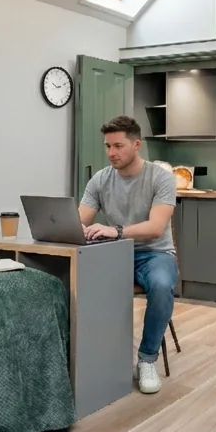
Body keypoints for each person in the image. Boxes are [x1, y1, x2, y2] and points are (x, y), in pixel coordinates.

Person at [78, 115, 177, 395]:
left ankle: (146, 360)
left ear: (136, 144)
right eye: (108, 146)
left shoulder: (161, 178)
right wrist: (74, 229)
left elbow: (156, 228)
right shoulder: (100, 179)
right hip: (112, 254)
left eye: (118, 146)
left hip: (153, 254)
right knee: (73, 280)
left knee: (160, 286)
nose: (112, 153)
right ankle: (93, 357)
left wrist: (115, 231)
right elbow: (79, 220)